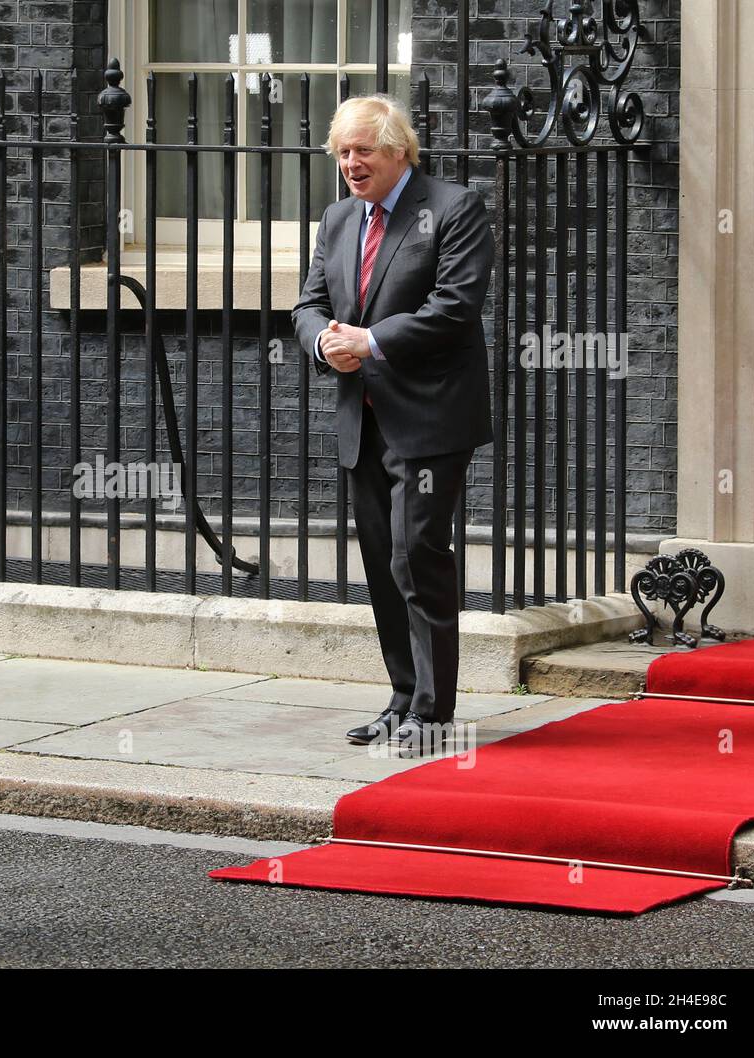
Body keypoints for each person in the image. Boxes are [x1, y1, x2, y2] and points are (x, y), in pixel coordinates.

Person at [291, 96, 494, 757]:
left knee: (418, 558)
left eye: (363, 150)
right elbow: (309, 303)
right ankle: (403, 698)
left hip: (430, 421)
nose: (351, 163)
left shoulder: (455, 209)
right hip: (364, 420)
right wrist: (325, 342)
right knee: (382, 564)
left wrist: (370, 341)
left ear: (399, 149)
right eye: (342, 152)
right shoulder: (338, 218)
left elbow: (454, 308)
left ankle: (435, 713)